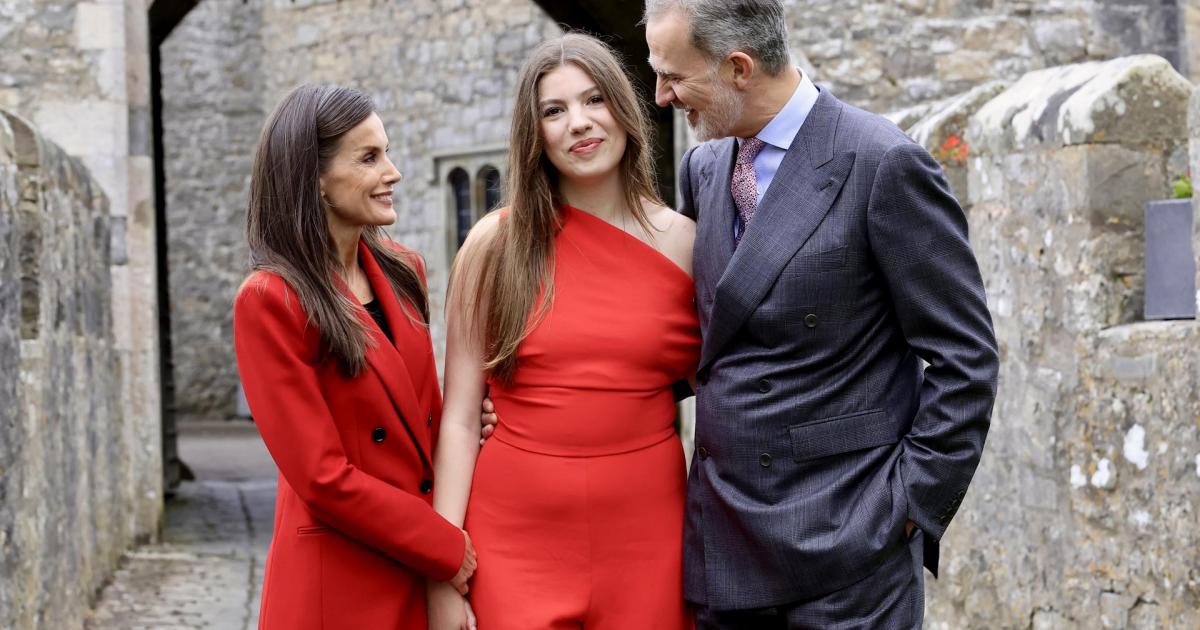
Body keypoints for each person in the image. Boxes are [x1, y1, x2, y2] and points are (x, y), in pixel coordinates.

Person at [638, 0, 1002, 626]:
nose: (661, 96)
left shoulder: (881, 162)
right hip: (722, 546)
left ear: (739, 68)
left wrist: (907, 507)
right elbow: (704, 342)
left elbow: (965, 358)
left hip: (849, 553)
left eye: (673, 76)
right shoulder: (704, 167)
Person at [428, 33, 700, 630]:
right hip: (513, 538)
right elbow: (460, 417)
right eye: (554, 111)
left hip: (650, 536)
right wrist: (442, 569)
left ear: (624, 109)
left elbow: (728, 386)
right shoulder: (493, 246)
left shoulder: (688, 245)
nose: (578, 123)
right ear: (535, 135)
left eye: (594, 99)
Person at [233, 84, 476, 630]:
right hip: (339, 584)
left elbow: (424, 421)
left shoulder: (405, 271)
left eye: (387, 152)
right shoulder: (271, 300)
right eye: (369, 158)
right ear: (315, 179)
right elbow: (322, 478)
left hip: (418, 565)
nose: (393, 172)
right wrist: (443, 547)